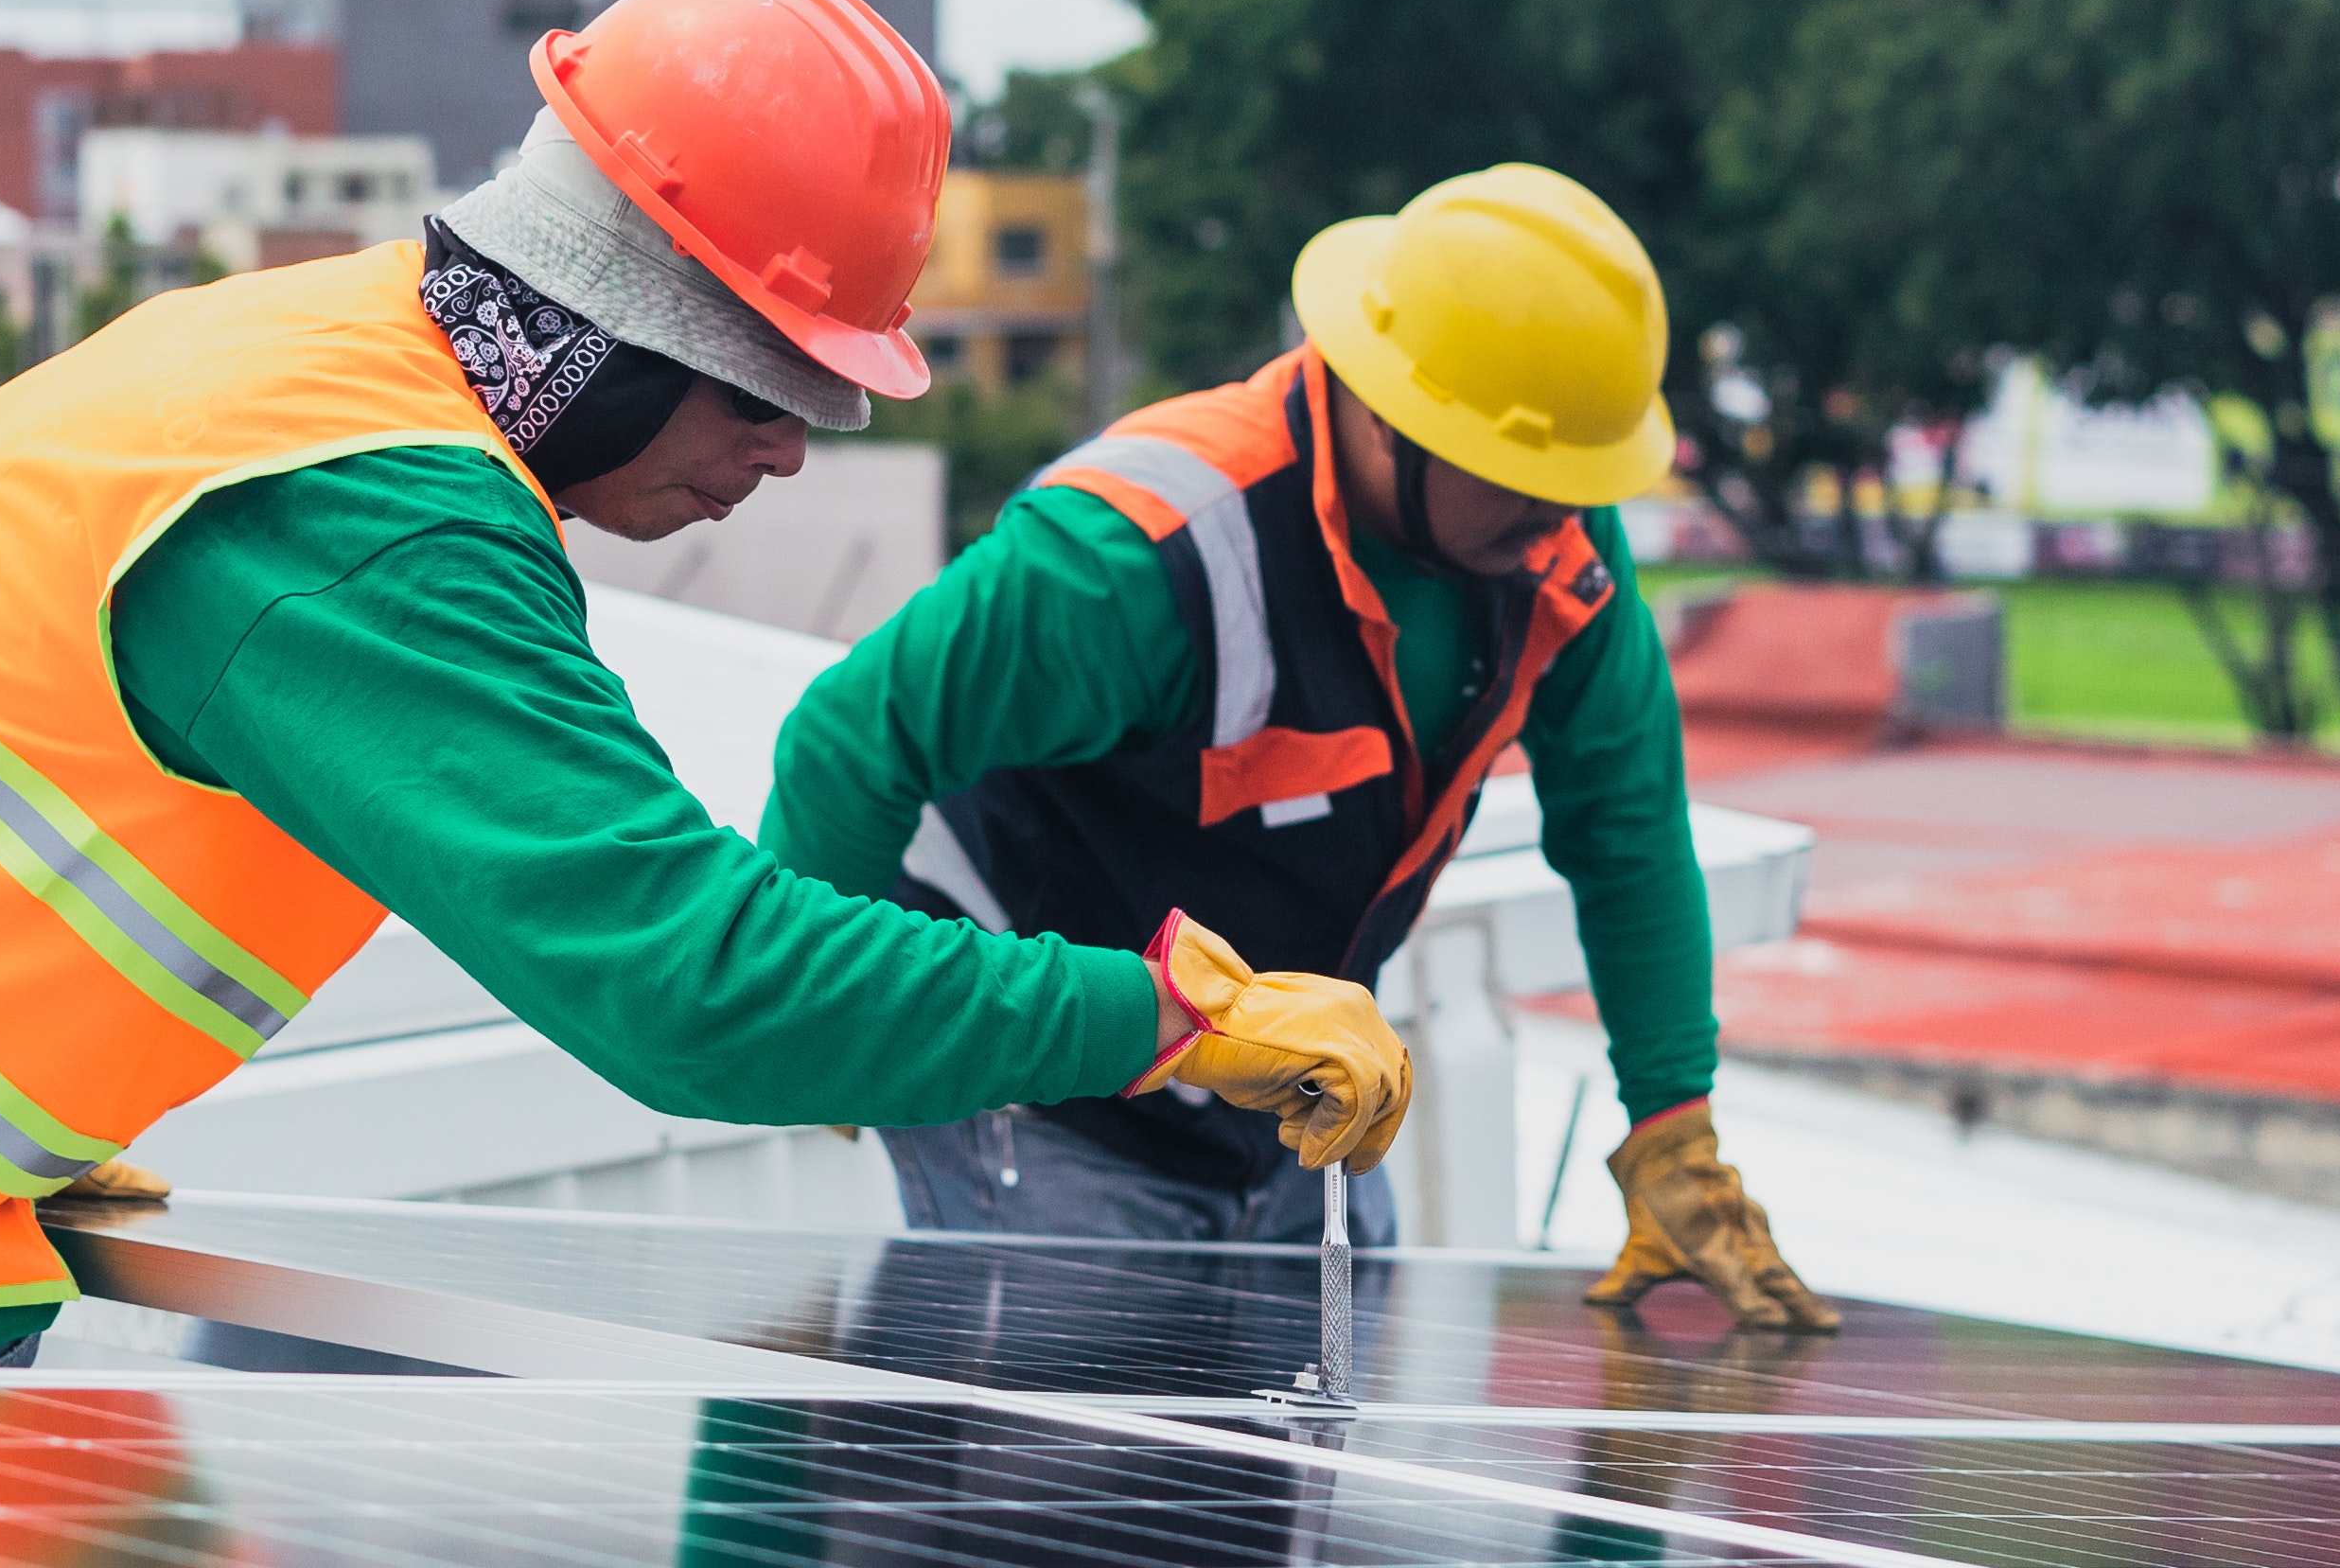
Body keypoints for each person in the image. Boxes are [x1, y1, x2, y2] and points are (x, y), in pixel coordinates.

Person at [0, 0, 1409, 1364]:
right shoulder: (369, 524)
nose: (791, 451)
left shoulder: (316, 346)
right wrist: (1159, 1014)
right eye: (776, 388)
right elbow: (684, 989)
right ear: (634, 315)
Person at [761, 163, 1831, 1329]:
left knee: (1291, 1475)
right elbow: (848, 741)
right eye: (1528, 478)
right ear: (1388, 414)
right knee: (1080, 1473)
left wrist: (1672, 1127)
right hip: (1049, 1098)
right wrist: (833, 1030)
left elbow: (1627, 835)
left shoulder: (1552, 557)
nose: (1562, 519)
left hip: (1292, 1101)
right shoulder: (1135, 553)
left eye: (1579, 484)